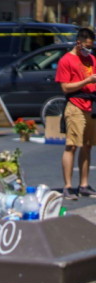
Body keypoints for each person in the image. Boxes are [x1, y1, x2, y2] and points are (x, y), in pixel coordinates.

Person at [56, 27, 96, 200]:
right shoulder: (66, 60)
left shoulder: (92, 59)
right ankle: (68, 186)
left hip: (91, 105)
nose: (89, 49)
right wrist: (87, 80)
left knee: (87, 145)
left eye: (92, 46)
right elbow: (65, 87)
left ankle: (84, 185)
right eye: (87, 46)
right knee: (72, 145)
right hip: (75, 105)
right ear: (78, 43)